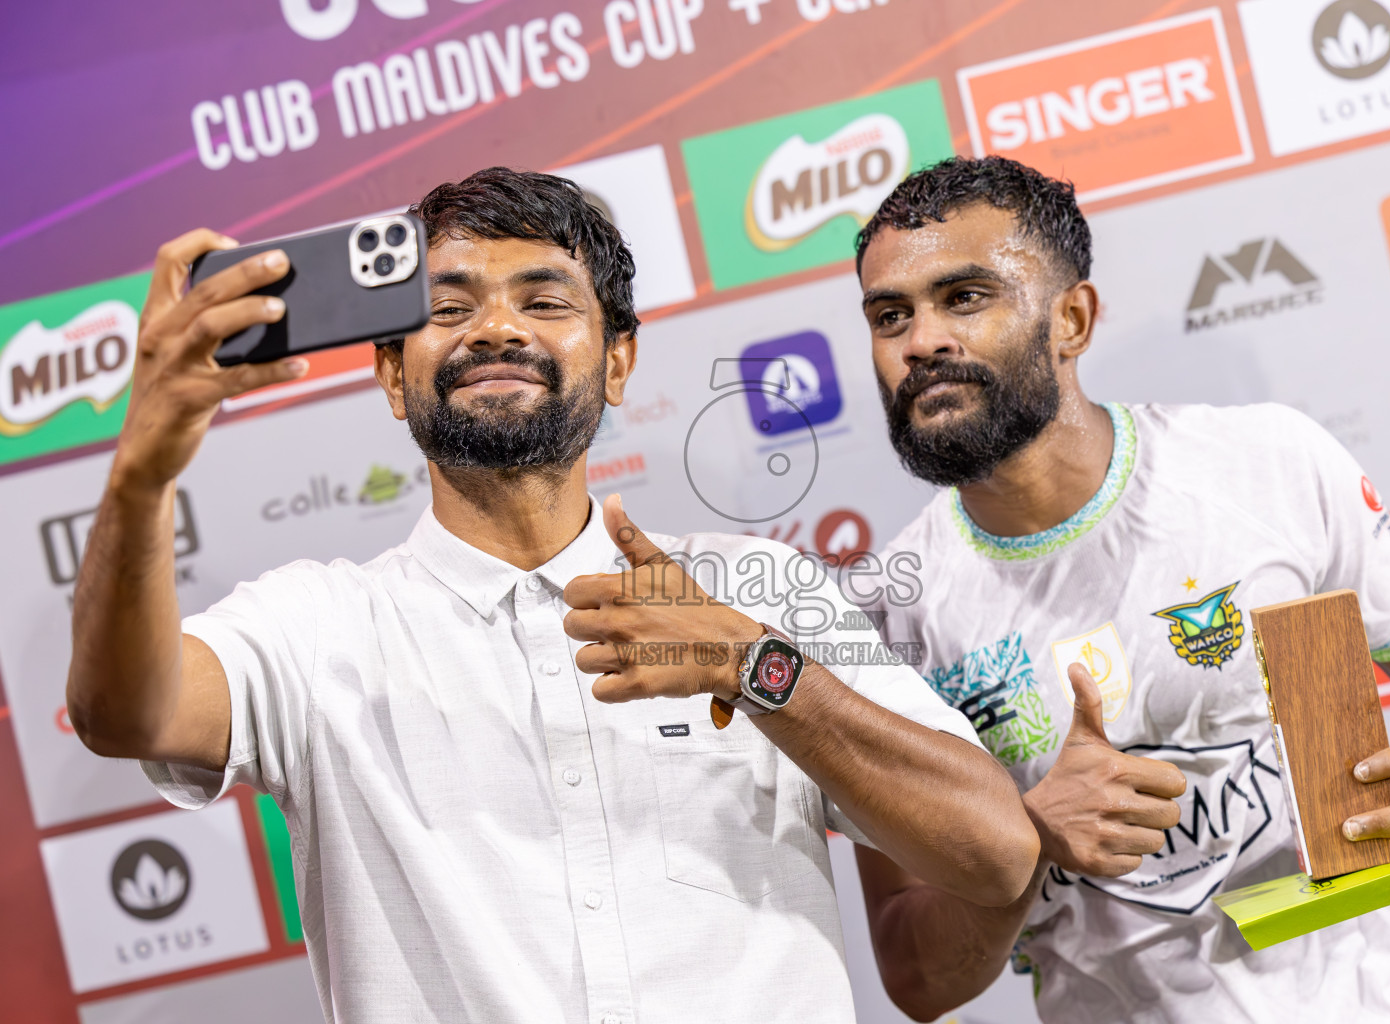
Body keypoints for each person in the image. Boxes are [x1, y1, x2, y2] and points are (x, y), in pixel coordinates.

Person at [65, 167, 1039, 1024]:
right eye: (447, 309)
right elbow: (123, 713)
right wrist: (142, 470)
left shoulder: (752, 587)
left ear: (617, 360)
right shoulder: (316, 627)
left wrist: (755, 668)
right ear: (391, 379)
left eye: (543, 300)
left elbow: (995, 852)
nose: (495, 328)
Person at [850, 156, 1390, 1024]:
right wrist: (1030, 841)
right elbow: (914, 977)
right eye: (889, 315)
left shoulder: (1269, 465)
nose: (921, 342)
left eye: (965, 298)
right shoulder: (883, 617)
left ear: (1073, 319)